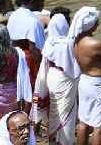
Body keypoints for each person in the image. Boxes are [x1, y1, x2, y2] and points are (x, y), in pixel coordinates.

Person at [72, 7, 101, 145]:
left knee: (84, 121)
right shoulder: (94, 44)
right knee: (99, 125)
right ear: (91, 25)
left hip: (84, 80)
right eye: (97, 21)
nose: (98, 24)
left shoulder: (76, 40)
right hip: (97, 84)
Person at [32, 13, 78, 145]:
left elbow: (44, 66)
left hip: (51, 78)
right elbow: (75, 69)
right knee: (66, 113)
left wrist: (38, 95)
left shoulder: (49, 43)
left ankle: (52, 138)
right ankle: (64, 141)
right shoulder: (69, 44)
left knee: (54, 110)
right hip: (65, 80)